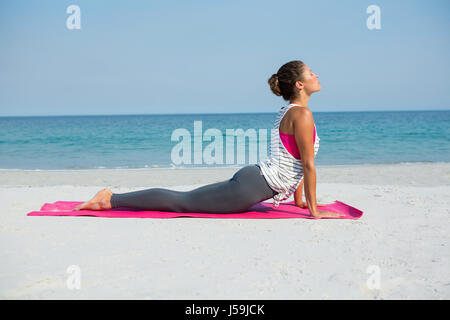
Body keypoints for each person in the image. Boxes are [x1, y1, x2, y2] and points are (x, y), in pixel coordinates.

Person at [73, 60, 343, 218]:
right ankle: (111, 199)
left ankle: (112, 197)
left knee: (186, 199)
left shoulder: (292, 111)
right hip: (252, 186)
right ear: (299, 84)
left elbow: (295, 161)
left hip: (255, 179)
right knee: (183, 202)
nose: (316, 75)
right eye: (310, 73)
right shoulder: (302, 114)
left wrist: (301, 202)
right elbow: (307, 166)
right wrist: (315, 213)